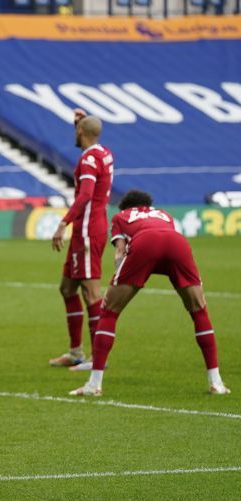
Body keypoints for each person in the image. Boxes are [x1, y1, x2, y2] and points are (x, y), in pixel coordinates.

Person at [70, 190, 230, 396]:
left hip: (145, 243)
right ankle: (216, 382)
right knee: (199, 310)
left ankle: (94, 385)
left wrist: (118, 279)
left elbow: (120, 252)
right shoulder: (164, 214)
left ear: (126, 207)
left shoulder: (121, 216)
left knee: (109, 311)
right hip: (176, 243)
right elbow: (165, 241)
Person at [49, 110, 114, 372]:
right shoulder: (104, 153)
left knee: (91, 293)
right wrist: (81, 121)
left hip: (86, 231)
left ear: (80, 133)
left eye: (77, 129)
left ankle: (98, 359)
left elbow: (85, 194)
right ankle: (76, 352)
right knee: (67, 289)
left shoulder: (88, 161)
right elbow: (88, 131)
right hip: (89, 231)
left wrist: (63, 222)